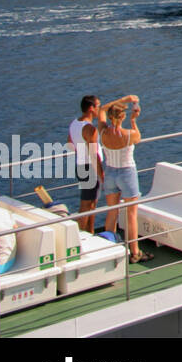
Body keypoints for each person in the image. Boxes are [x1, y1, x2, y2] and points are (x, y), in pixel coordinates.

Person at [69, 95, 134, 234]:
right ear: (91, 108)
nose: (100, 109)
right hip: (90, 168)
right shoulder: (90, 129)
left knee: (90, 203)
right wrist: (101, 175)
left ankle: (89, 232)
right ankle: (83, 234)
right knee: (87, 205)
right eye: (98, 106)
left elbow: (70, 143)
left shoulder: (74, 123)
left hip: (80, 165)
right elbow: (94, 155)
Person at [99, 99, 152, 263]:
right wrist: (134, 120)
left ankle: (110, 247)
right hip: (126, 173)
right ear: (122, 117)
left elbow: (101, 108)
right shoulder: (129, 134)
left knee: (112, 211)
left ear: (109, 117)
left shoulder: (103, 132)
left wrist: (125, 99)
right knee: (131, 214)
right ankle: (135, 251)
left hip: (110, 172)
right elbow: (138, 137)